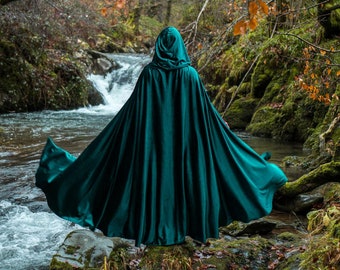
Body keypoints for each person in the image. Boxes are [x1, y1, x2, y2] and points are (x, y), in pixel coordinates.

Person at [36, 26, 287, 247]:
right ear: (180, 46)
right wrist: (220, 123)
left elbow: (133, 112)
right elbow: (203, 111)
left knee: (158, 180)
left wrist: (115, 138)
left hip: (153, 146)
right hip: (186, 146)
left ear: (159, 46)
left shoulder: (149, 74)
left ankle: (156, 230)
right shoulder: (190, 76)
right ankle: (186, 227)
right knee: (187, 177)